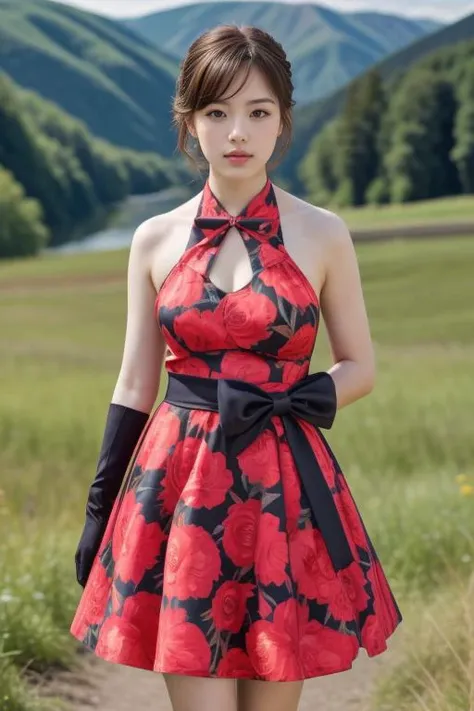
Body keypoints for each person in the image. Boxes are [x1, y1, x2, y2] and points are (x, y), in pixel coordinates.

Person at [70, 23, 403, 711]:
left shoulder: (323, 233)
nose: (236, 133)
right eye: (217, 112)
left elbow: (360, 365)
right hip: (180, 489)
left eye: (257, 112)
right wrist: (100, 508)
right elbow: (136, 382)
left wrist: (298, 398)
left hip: (287, 490)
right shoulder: (153, 237)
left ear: (283, 121)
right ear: (190, 123)